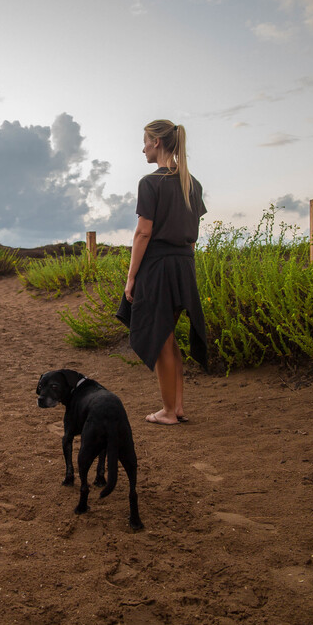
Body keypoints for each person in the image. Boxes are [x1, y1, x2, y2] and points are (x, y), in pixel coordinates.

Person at [115, 119, 209, 425]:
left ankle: (169, 411)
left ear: (157, 142)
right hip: (184, 266)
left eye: (144, 141)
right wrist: (186, 270)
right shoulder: (192, 183)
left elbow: (143, 233)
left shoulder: (150, 182)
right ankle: (177, 407)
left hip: (157, 268)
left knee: (161, 339)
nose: (142, 148)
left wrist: (131, 277)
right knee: (169, 338)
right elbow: (193, 236)